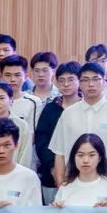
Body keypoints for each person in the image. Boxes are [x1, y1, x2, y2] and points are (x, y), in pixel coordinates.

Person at [50, 61, 107, 189]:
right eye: (85, 80)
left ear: (104, 82)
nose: (91, 84)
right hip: (73, 182)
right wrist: (60, 183)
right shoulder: (68, 114)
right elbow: (59, 152)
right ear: (79, 83)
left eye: (96, 79)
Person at [35, 61, 81, 202]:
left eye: (71, 79)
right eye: (61, 80)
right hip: (51, 176)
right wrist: (53, 167)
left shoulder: (85, 108)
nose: (66, 84)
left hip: (82, 172)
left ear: (79, 81)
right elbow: (42, 141)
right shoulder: (50, 109)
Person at [53, 134, 107, 207]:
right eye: (80, 155)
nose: (85, 160)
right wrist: (57, 210)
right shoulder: (65, 187)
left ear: (100, 158)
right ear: (74, 158)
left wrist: (105, 212)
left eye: (91, 155)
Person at [0, 54, 43, 131]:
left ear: (25, 77)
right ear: (1, 77)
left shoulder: (34, 102)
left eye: (17, 75)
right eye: (8, 75)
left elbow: (32, 133)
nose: (13, 79)